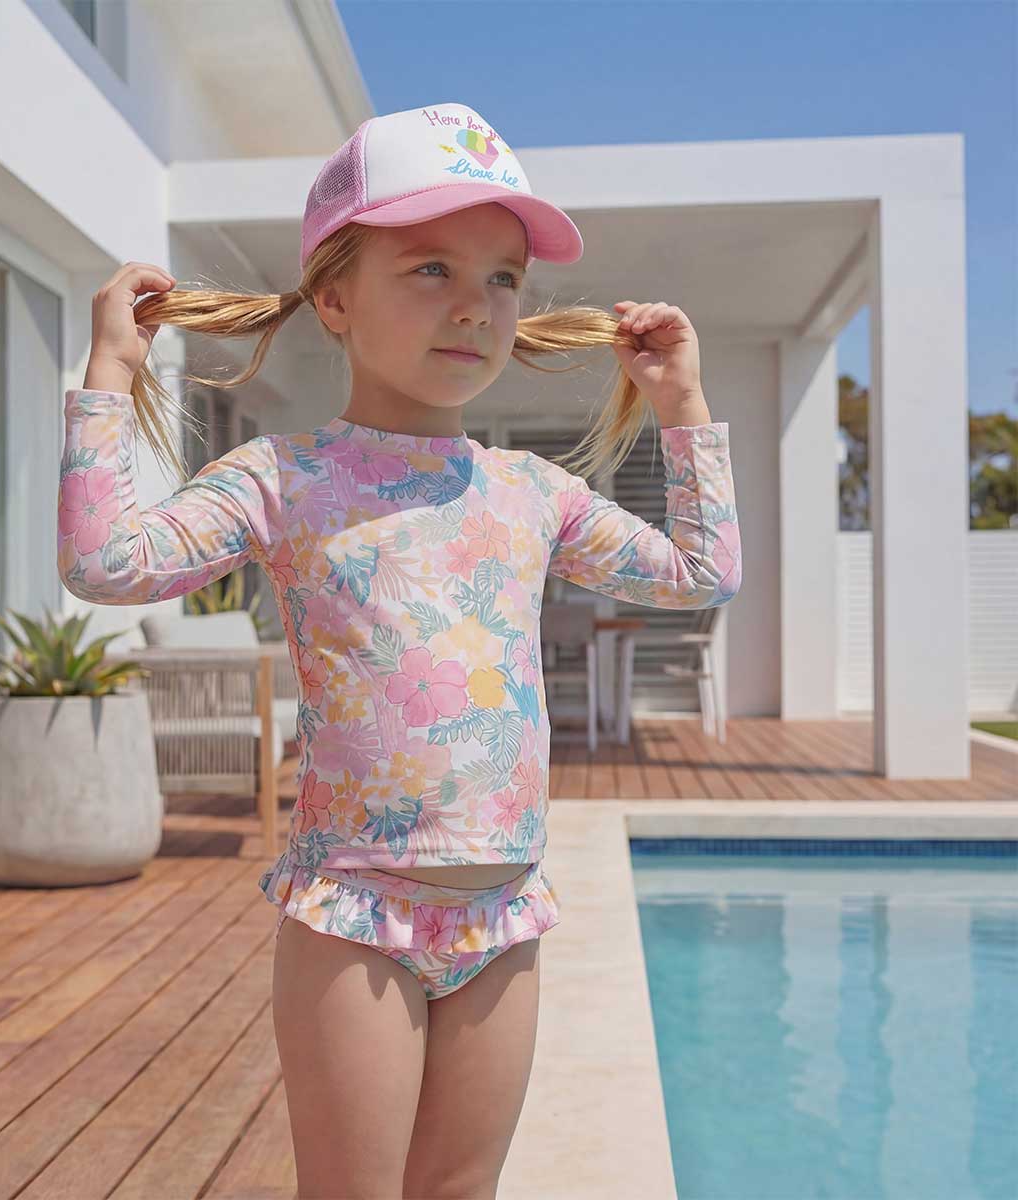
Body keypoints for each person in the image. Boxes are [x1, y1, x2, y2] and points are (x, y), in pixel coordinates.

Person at [57, 101, 742, 1199]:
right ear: (334, 296)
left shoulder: (532, 492)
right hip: (355, 917)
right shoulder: (284, 477)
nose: (475, 306)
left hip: (503, 914)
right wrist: (107, 375)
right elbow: (106, 565)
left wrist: (683, 406)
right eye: (431, 269)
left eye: (503, 278)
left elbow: (701, 573)